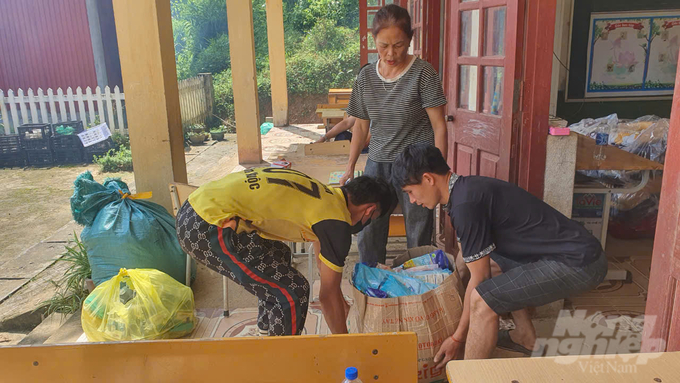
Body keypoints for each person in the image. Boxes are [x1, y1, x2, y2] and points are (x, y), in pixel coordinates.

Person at [391, 144, 608, 364]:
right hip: (572, 253)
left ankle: (469, 379)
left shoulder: (465, 204)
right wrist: (446, 287)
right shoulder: (465, 190)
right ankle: (525, 336)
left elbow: (479, 280)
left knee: (483, 300)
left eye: (410, 192)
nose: (412, 200)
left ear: (428, 179)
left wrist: (457, 337)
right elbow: (467, 259)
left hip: (580, 264)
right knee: (492, 264)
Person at [176, 168, 395, 336]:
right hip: (207, 227)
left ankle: (268, 332)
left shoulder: (326, 195)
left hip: (195, 205)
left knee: (278, 255)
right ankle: (283, 364)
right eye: (372, 220)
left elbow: (325, 269)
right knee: (293, 292)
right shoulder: (335, 224)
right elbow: (327, 296)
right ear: (370, 210)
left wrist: (340, 302)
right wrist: (345, 345)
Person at [338, 4, 448, 265]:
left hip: (416, 163)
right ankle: (373, 282)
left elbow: (439, 126)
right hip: (377, 161)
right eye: (383, 45)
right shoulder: (366, 77)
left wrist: (440, 171)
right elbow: (361, 126)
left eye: (398, 45)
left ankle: (418, 286)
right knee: (368, 227)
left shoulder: (424, 73)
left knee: (418, 230)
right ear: (373, 40)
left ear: (410, 40)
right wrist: (350, 165)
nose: (390, 53)